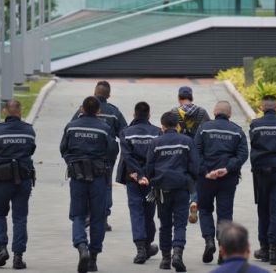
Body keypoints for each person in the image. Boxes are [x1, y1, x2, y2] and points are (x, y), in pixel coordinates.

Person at [61, 96, 118, 273]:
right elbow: (112, 150)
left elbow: (64, 149)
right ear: (98, 111)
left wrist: (72, 162)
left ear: (82, 110)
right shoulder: (105, 128)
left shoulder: (71, 126)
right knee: (97, 217)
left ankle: (81, 246)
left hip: (77, 176)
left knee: (78, 215)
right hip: (98, 178)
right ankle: (93, 258)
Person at [140, 112, 199, 272]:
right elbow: (195, 166)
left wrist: (153, 181)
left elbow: (149, 167)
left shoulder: (156, 143)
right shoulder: (187, 141)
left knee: (165, 225)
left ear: (163, 126)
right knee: (180, 224)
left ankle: (166, 259)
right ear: (177, 125)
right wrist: (189, 179)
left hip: (162, 190)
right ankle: (177, 254)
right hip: (181, 187)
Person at [194, 101, 249, 264]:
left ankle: (209, 240)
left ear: (214, 112)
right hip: (228, 179)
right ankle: (222, 249)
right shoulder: (238, 131)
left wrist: (206, 171)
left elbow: (196, 152)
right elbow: (242, 155)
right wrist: (227, 168)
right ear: (230, 114)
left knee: (204, 209)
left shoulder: (203, 128)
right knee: (225, 215)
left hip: (206, 179)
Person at [72, 81, 127, 231]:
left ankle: (87, 216)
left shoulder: (81, 111)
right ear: (108, 95)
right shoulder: (114, 112)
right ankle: (102, 218)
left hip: (82, 157)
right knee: (106, 186)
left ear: (94, 92)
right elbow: (124, 134)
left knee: (84, 185)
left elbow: (70, 130)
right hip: (105, 159)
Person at [0, 100, 36, 270]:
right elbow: (31, 150)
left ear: (5, 112)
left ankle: (2, 248)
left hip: (1, 181)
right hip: (23, 180)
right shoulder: (29, 131)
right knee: (20, 218)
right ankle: (18, 256)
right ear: (20, 111)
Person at [249, 95, 276, 266]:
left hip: (261, 173)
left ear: (261, 107)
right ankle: (275, 251)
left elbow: (253, 144)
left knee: (263, 210)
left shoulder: (255, 124)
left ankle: (265, 248)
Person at [117, 101, 161, 264]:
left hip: (133, 179)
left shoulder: (126, 132)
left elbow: (127, 157)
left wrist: (138, 173)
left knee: (136, 211)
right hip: (150, 180)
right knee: (149, 212)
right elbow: (158, 156)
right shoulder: (157, 132)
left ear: (134, 114)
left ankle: (141, 248)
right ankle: (148, 244)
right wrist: (147, 174)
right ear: (149, 115)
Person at [171, 86, 210, 224]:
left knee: (181, 178)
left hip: (179, 151)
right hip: (196, 151)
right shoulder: (202, 112)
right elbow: (208, 131)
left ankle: (180, 206)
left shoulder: (174, 113)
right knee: (195, 178)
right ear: (191, 97)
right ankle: (194, 201)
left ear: (179, 98)